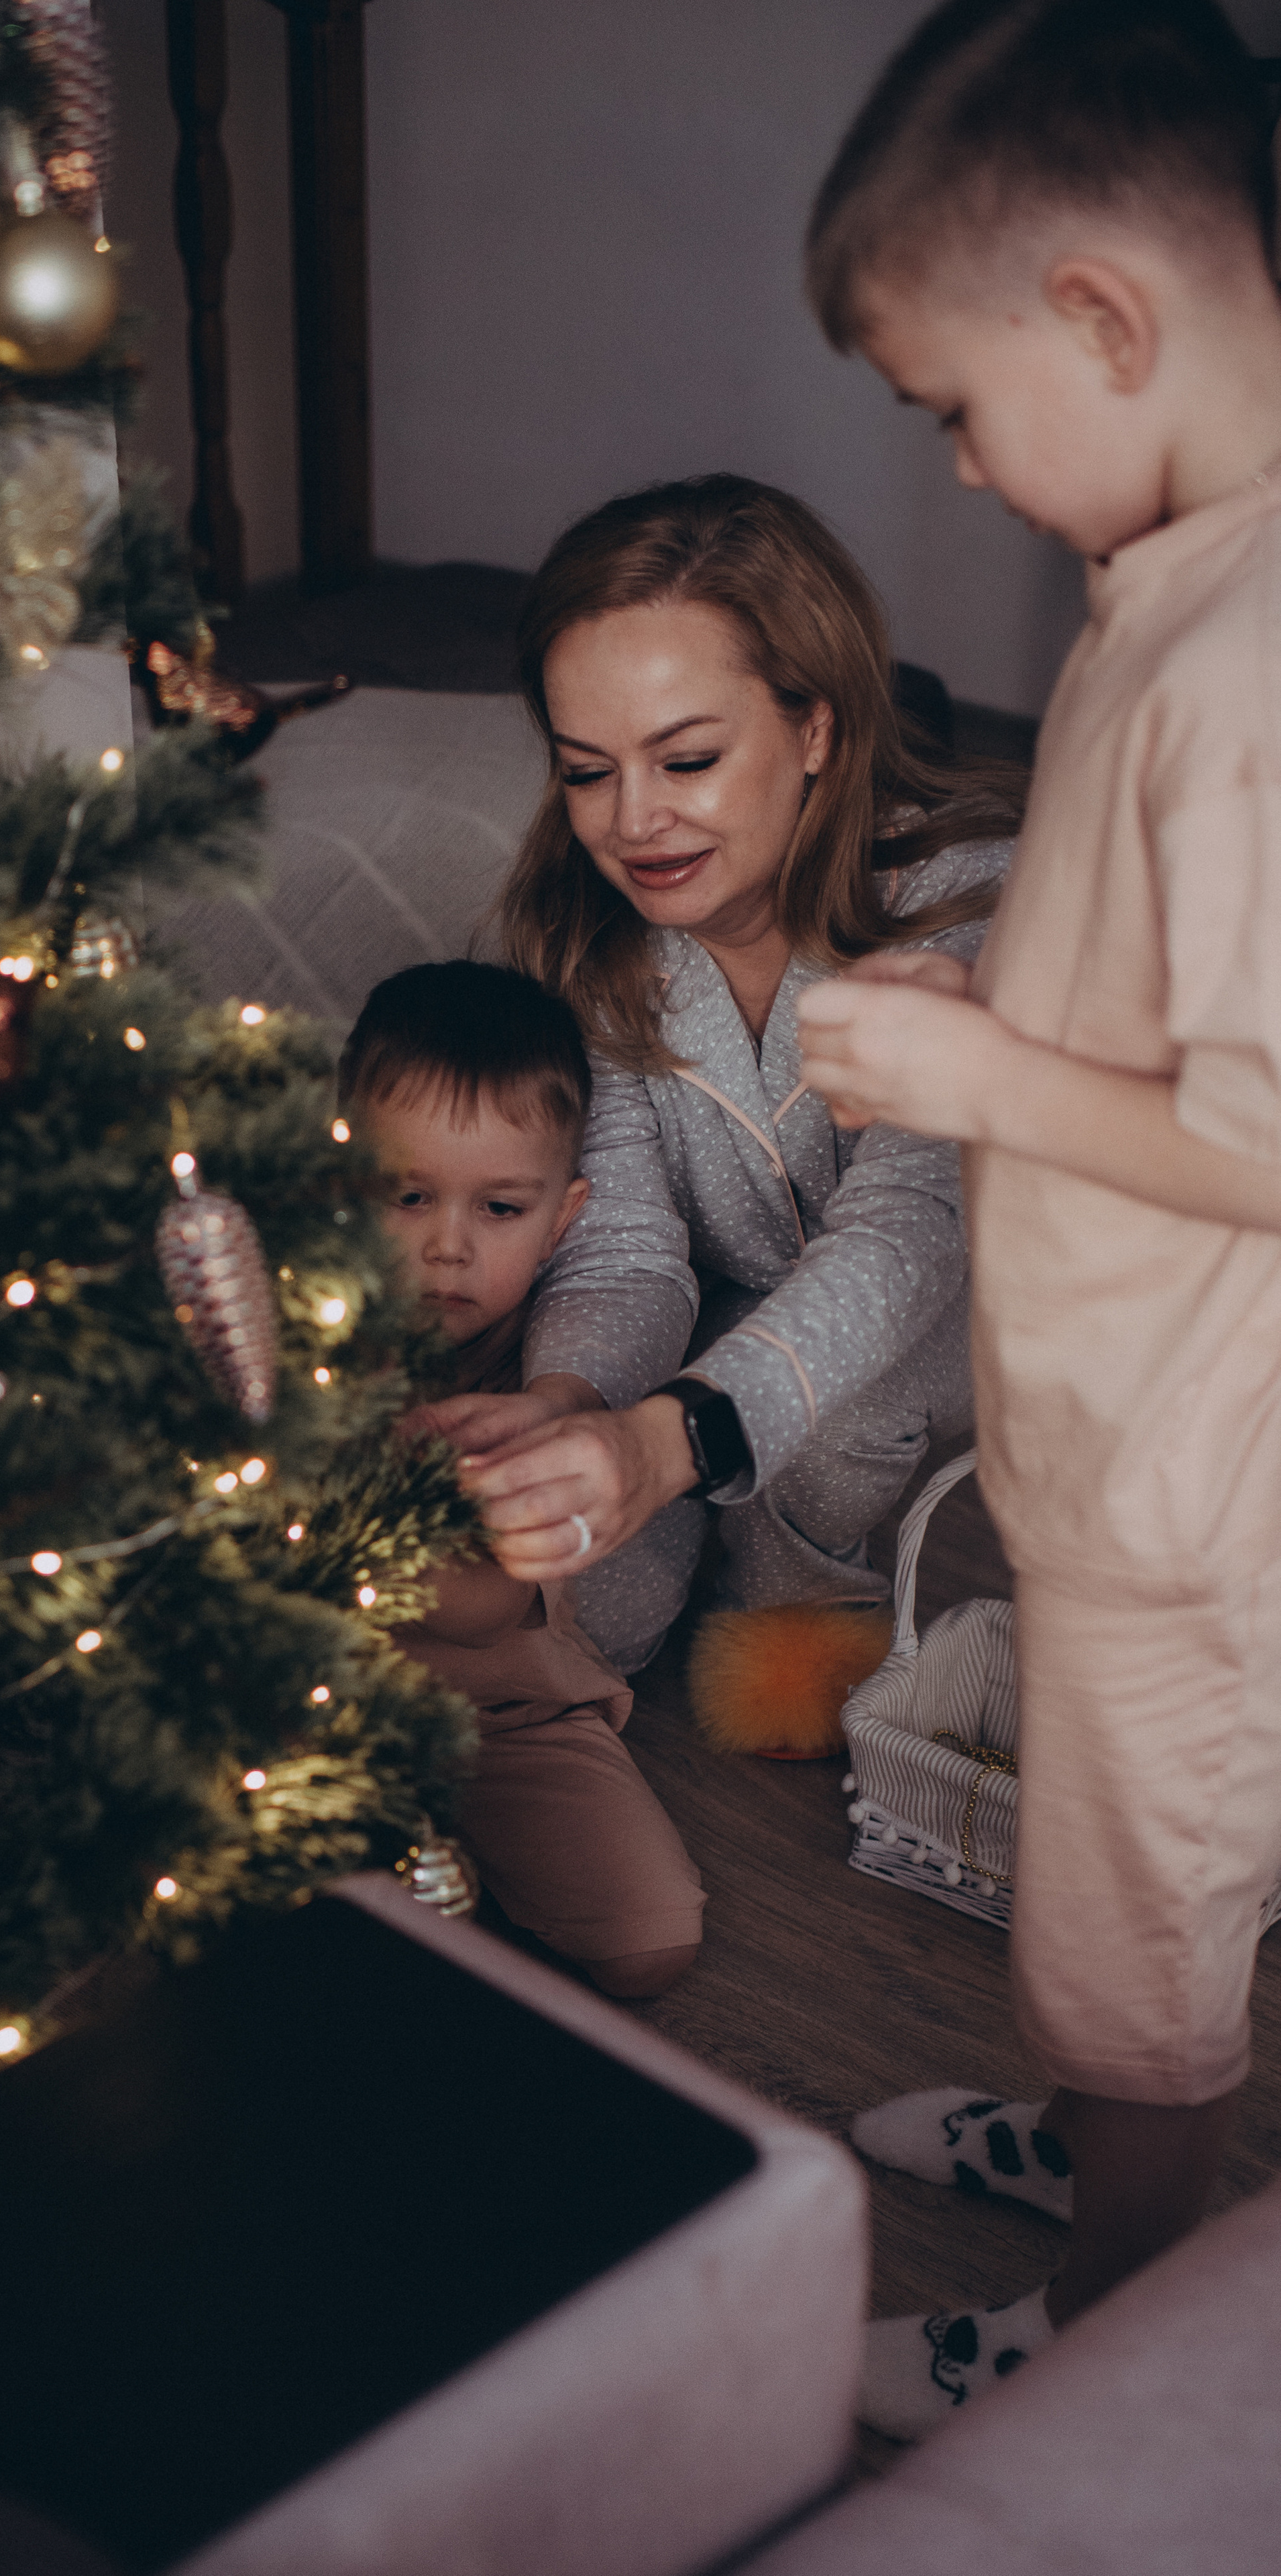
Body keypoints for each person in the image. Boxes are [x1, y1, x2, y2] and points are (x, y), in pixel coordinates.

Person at [795, 0, 1281, 2438]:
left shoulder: (1258, 650)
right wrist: (1008, 974)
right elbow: (1184, 975)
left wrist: (983, 1075)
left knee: (1143, 1940)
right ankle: (1122, 2156)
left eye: (956, 410)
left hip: (1199, 1492)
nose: (967, 475)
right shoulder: (1179, 562)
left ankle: (1114, 2309)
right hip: (1123, 1428)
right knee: (1114, 1936)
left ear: (1103, 312)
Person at [408, 476, 1020, 1747]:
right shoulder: (593, 947)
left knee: (835, 1431)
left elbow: (907, 1240)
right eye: (588, 772)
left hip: (955, 1349)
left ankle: (818, 1590)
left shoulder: (969, 911)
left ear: (817, 730)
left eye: (688, 759)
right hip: (708, 1350)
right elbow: (628, 1242)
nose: (635, 823)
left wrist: (667, 1443)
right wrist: (572, 1403)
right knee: (595, 1598)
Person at [342, 960, 705, 1999]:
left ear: (563, 1219)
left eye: (500, 1210)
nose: (446, 1250)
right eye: (406, 1196)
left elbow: (485, 1603)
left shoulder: (542, 1381)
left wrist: (297, 1529)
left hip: (502, 1713)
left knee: (652, 1940)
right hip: (292, 1692)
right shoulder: (296, 1336)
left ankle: (441, 1852)